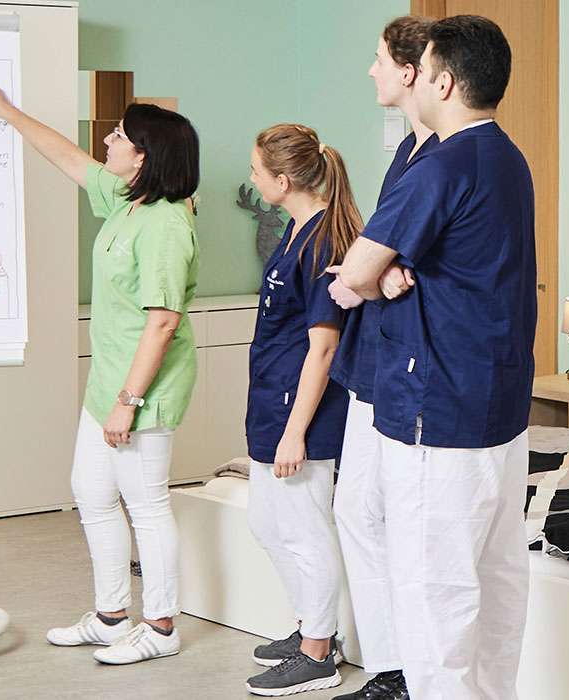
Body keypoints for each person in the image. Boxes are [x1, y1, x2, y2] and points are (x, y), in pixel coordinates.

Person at [335, 15, 536, 699]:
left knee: (435, 605)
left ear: (443, 81)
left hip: (437, 415)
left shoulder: (441, 165)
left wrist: (363, 274)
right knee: (498, 585)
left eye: (421, 67)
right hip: (498, 412)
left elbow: (356, 275)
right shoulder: (507, 158)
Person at [0, 82, 201, 665]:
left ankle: (162, 626)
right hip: (109, 384)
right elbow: (69, 158)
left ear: (144, 155)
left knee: (146, 503)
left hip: (142, 388)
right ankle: (111, 614)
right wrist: (7, 111)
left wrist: (128, 400)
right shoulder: (129, 201)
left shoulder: (168, 223)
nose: (106, 141)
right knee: (92, 493)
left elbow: (163, 322)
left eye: (119, 136)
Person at [325, 16, 438, 700]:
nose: (370, 70)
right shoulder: (406, 153)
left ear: (409, 71)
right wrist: (380, 269)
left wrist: (382, 272)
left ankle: (402, 670)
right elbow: (384, 244)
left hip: (405, 362)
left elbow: (414, 251)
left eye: (377, 60)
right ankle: (390, 667)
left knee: (376, 511)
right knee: (353, 508)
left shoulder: (448, 157)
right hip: (374, 356)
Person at [240, 124, 356, 697]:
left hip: (301, 408)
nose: (253, 179)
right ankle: (309, 626)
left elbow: (325, 346)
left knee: (306, 527)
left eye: (258, 171)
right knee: (265, 521)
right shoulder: (296, 229)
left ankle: (319, 651)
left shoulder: (323, 244)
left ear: (283, 181)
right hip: (272, 396)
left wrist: (295, 433)